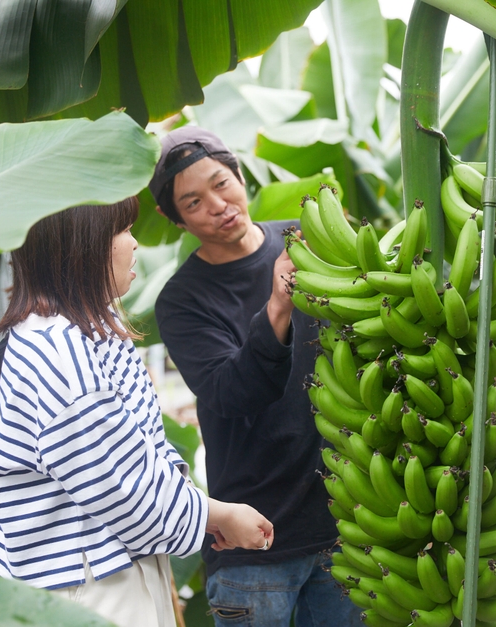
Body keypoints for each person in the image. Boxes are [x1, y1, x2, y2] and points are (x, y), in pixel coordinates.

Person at [0, 197, 274, 627]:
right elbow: (121, 486)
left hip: (110, 562)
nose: (135, 243)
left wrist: (192, 510)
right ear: (82, 248)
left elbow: (137, 450)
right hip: (87, 585)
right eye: (121, 231)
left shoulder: (86, 330)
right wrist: (217, 515)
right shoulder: (57, 352)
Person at [151, 127, 362, 626]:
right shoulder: (182, 301)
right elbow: (229, 393)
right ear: (174, 217)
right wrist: (277, 308)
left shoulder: (310, 240)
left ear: (240, 175)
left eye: (222, 184)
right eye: (194, 201)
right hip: (254, 541)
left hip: (348, 523)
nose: (218, 205)